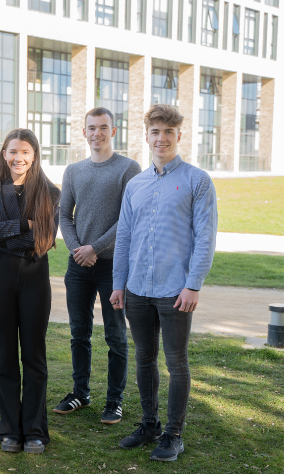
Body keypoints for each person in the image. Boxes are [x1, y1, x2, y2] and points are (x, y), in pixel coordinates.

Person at [111, 104, 217, 462]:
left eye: (168, 132)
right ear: (146, 135)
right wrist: (118, 283)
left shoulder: (196, 180)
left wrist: (194, 284)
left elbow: (205, 237)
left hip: (176, 290)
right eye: (155, 131)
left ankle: (173, 434)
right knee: (144, 359)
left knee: (176, 363)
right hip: (138, 288)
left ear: (179, 136)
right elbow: (124, 236)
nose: (161, 138)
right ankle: (149, 424)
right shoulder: (135, 184)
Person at [0, 128, 60, 454]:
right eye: (12, 151)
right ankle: (10, 428)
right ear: (4, 154)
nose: (18, 158)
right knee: (5, 355)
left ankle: (35, 429)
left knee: (34, 355)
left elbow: (46, 240)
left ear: (34, 155)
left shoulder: (50, 192)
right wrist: (25, 225)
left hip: (35, 276)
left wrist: (3, 232)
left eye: (24, 152)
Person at [53, 108, 141, 424]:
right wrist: (79, 249)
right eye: (92, 128)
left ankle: (114, 400)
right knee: (79, 333)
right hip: (79, 266)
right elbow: (64, 215)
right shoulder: (74, 171)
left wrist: (95, 247)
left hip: (113, 267)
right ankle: (80, 393)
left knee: (115, 336)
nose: (97, 133)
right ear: (84, 132)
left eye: (103, 128)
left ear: (113, 131)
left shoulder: (129, 169)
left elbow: (128, 218)